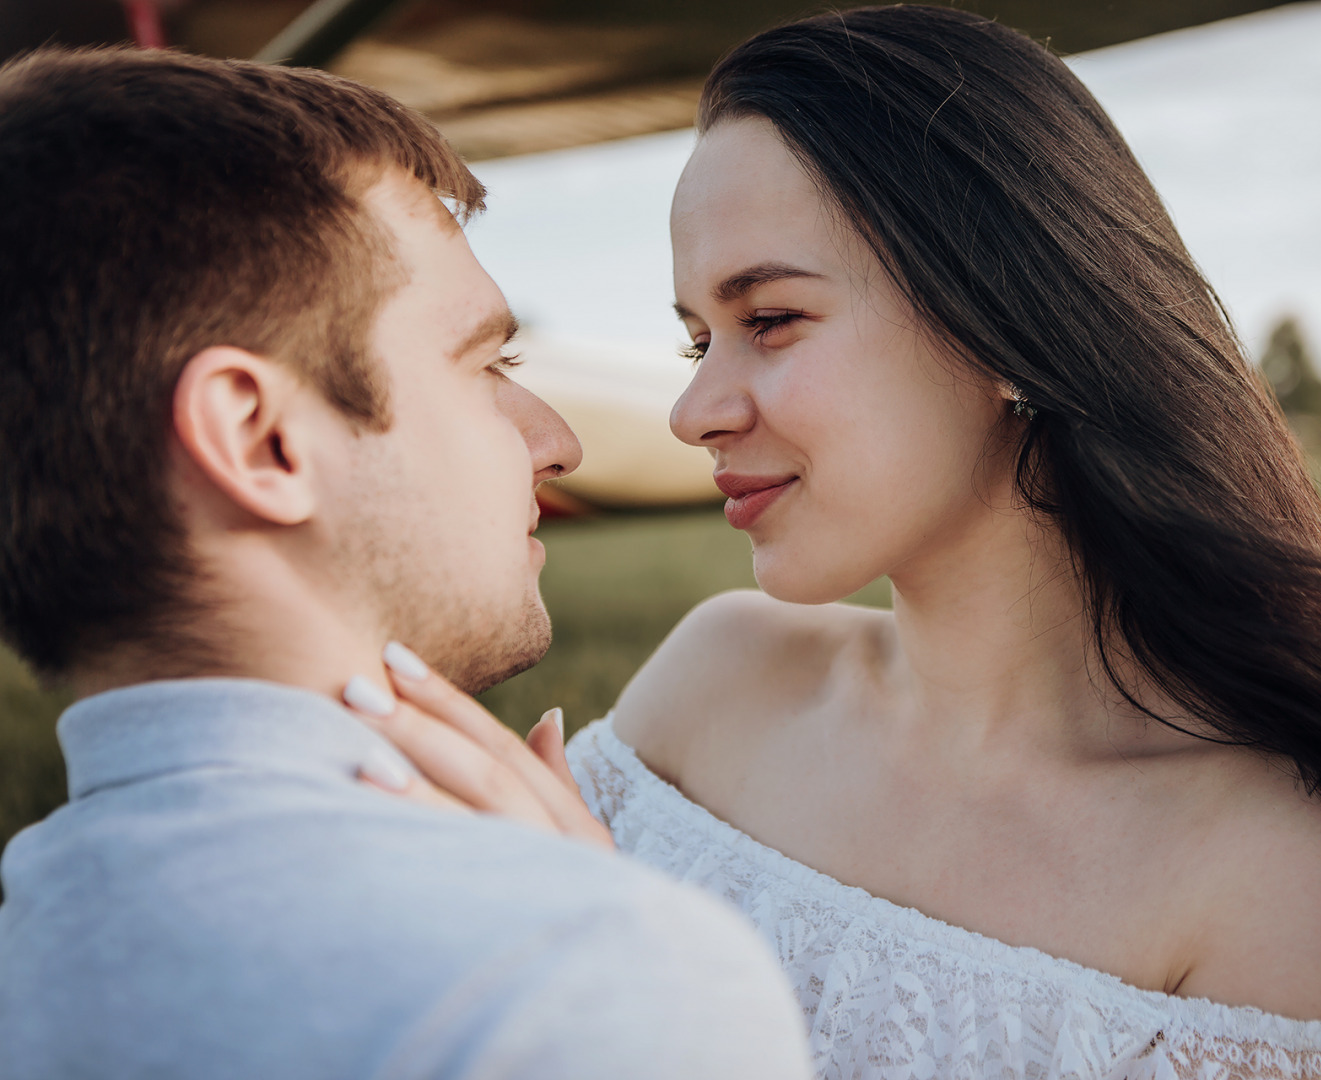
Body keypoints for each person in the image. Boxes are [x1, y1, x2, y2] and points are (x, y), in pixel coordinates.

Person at [558, 7, 1321, 1079]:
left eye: (771, 320)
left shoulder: (1276, 877)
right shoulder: (712, 683)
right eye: (696, 338)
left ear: (1002, 318)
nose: (692, 411)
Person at [0, 47, 811, 1080]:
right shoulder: (589, 981)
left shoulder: (35, 945)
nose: (554, 441)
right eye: (486, 365)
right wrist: (610, 947)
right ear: (258, 439)